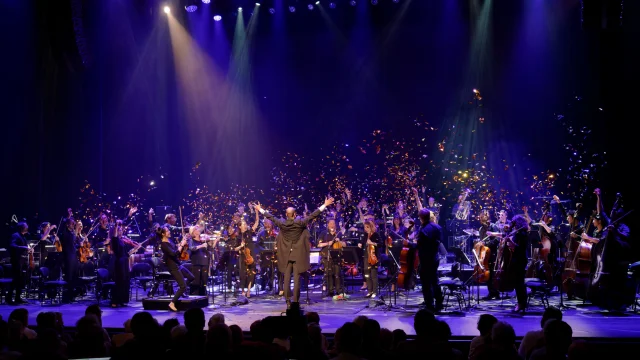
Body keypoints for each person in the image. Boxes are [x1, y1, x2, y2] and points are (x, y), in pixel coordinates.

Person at [254, 197, 334, 309]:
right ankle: (295, 301)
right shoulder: (300, 223)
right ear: (294, 214)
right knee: (296, 279)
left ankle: (287, 301)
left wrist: (260, 209)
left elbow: (270, 217)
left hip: (286, 255)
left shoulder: (282, 223)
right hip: (297, 254)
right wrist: (325, 205)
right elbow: (312, 215)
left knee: (286, 278)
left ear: (287, 215)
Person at [158, 226, 194, 311]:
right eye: (167, 231)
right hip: (172, 266)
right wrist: (181, 245)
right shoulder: (163, 245)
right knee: (183, 286)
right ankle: (172, 303)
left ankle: (181, 291)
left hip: (177, 264)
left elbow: (177, 252)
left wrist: (183, 242)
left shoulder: (169, 241)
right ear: (163, 234)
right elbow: (174, 254)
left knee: (191, 277)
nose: (169, 232)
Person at [415, 208, 443, 311]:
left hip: (425, 260)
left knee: (426, 284)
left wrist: (408, 244)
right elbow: (439, 241)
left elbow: (418, 246)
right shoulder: (437, 227)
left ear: (421, 218)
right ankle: (439, 303)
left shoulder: (423, 230)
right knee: (435, 281)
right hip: (435, 258)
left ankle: (429, 306)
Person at [109, 220, 139, 308]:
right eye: (120, 230)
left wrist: (134, 250)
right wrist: (116, 226)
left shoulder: (122, 241)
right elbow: (114, 236)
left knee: (125, 281)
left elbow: (126, 254)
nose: (121, 231)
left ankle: (122, 300)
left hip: (125, 261)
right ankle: (115, 300)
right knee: (119, 281)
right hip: (119, 262)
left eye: (121, 230)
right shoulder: (115, 240)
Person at [507, 215, 530, 313]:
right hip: (517, 258)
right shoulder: (518, 232)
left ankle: (522, 303)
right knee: (518, 282)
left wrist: (510, 241)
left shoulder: (522, 233)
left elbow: (519, 247)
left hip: (520, 259)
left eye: (514, 222)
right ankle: (520, 303)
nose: (513, 224)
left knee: (519, 283)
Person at [317, 219, 346, 297]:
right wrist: (327, 243)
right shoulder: (324, 233)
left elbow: (345, 244)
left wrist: (339, 241)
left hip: (337, 256)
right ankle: (330, 291)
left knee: (337, 274)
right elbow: (319, 245)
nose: (332, 225)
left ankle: (338, 290)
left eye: (333, 223)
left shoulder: (339, 234)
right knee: (328, 274)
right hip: (327, 256)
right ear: (328, 225)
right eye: (330, 223)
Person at [234, 212, 259, 298]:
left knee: (251, 273)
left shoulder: (249, 232)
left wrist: (256, 212)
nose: (245, 225)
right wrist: (240, 246)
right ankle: (243, 291)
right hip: (243, 256)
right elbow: (235, 249)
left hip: (251, 255)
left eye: (245, 223)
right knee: (243, 274)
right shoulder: (238, 237)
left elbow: (256, 222)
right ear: (240, 226)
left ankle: (248, 290)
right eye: (243, 224)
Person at [8, 222, 33, 305]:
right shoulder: (16, 235)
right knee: (15, 280)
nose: (27, 228)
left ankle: (18, 298)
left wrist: (29, 249)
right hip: (17, 260)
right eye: (26, 227)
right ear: (22, 228)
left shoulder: (23, 236)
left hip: (22, 261)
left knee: (20, 280)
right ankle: (9, 298)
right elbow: (12, 245)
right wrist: (25, 247)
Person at [188, 225, 215, 296]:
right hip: (196, 263)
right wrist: (201, 246)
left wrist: (213, 242)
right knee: (196, 281)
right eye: (197, 230)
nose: (199, 231)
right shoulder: (191, 240)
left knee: (204, 280)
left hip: (205, 262)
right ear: (193, 232)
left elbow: (211, 249)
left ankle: (203, 296)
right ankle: (195, 296)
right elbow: (191, 248)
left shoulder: (202, 240)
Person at [359, 220, 382, 298]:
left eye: (367, 227)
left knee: (373, 275)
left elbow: (380, 244)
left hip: (373, 257)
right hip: (366, 257)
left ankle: (375, 291)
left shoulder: (376, 235)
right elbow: (362, 243)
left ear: (371, 227)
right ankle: (370, 291)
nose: (366, 229)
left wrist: (372, 243)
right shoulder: (365, 235)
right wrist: (360, 244)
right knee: (367, 275)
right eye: (365, 227)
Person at [59, 217, 79, 303]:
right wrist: (76, 229)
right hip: (68, 257)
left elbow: (73, 243)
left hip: (73, 256)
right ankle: (66, 297)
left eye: (74, 223)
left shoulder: (71, 233)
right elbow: (71, 240)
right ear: (67, 224)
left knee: (74, 276)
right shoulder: (65, 233)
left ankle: (72, 296)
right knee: (69, 277)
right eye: (72, 223)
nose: (73, 225)